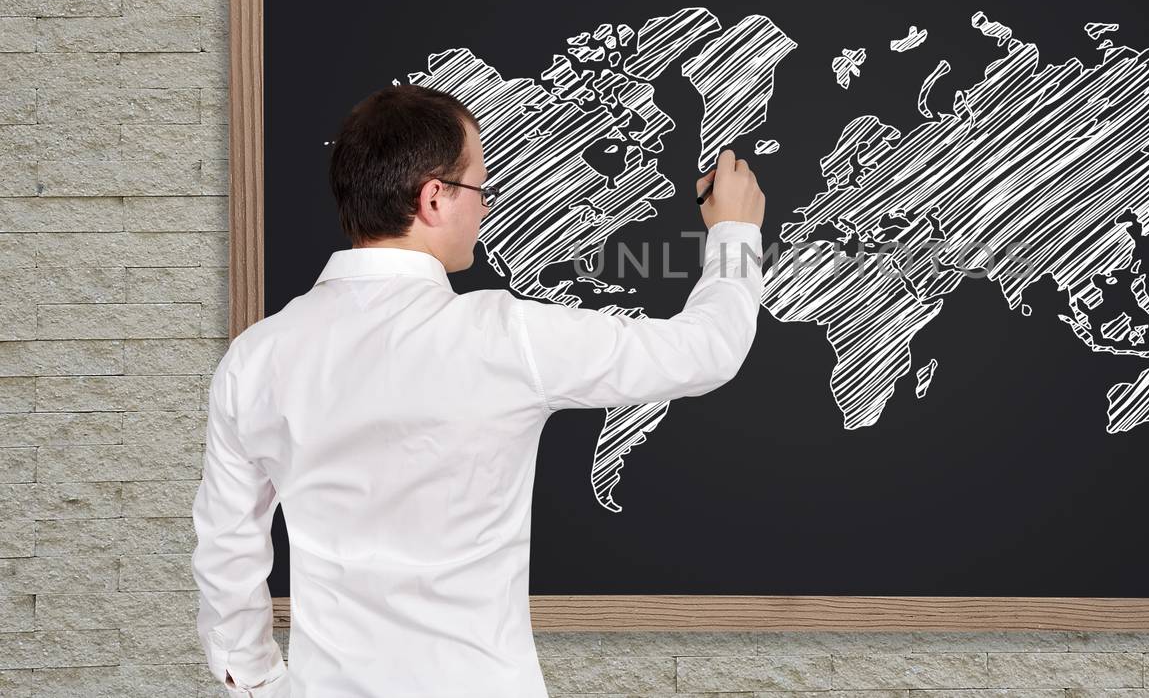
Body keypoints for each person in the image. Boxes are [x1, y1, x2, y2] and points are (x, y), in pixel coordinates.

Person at [190, 84, 766, 697]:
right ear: (434, 198)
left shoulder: (257, 358)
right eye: (480, 188)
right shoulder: (506, 338)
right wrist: (734, 233)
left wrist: (255, 683)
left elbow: (228, 547)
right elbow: (707, 350)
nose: (485, 209)